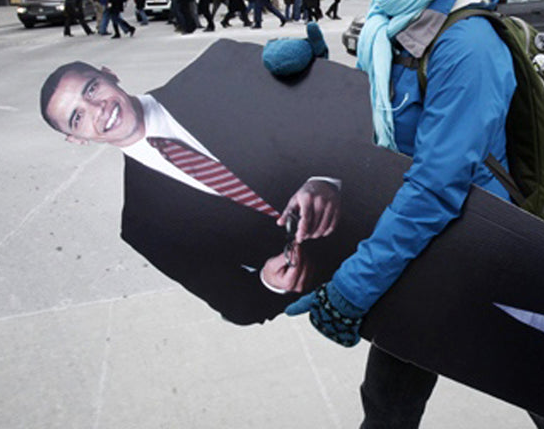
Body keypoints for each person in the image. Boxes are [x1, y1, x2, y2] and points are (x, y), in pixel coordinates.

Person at [282, 0, 544, 427]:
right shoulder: (393, 24)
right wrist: (313, 78)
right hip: (417, 247)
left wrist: (354, 287)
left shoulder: (468, 47)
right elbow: (378, 128)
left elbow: (435, 186)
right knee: (387, 400)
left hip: (478, 249)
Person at [38, 59, 345, 321]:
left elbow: (335, 104)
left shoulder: (213, 77)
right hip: (343, 287)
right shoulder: (141, 224)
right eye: (77, 117)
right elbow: (237, 304)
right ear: (76, 139)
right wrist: (268, 282)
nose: (98, 109)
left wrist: (326, 178)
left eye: (92, 89)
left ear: (109, 74)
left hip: (372, 200)